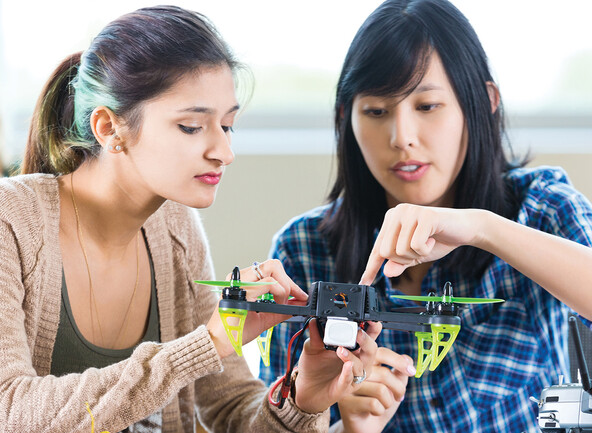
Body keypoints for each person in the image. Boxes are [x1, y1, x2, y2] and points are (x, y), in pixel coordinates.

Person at [261, 0, 592, 432]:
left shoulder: (539, 205)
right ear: (346, 117)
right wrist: (352, 428)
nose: (402, 138)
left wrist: (482, 228)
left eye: (427, 106)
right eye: (376, 112)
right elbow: (276, 417)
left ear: (484, 101)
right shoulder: (304, 249)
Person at [0, 6, 381, 432]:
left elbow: (231, 407)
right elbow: (9, 411)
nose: (224, 152)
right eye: (191, 126)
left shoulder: (176, 231)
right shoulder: (10, 223)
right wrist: (210, 342)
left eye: (228, 125)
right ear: (108, 128)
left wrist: (303, 397)